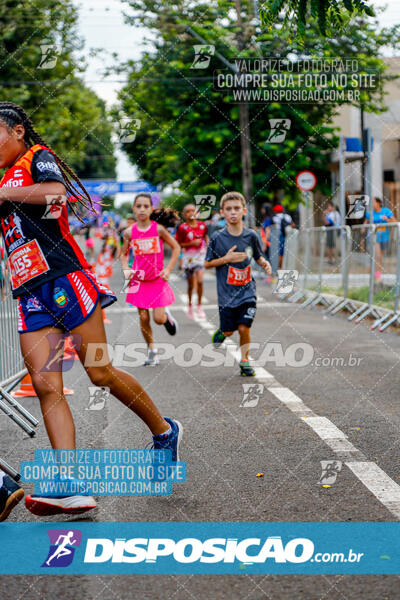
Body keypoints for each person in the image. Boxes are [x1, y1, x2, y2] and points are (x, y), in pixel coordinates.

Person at [0, 102, 182, 516]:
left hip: (67, 281)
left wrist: (3, 192)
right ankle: (69, 483)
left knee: (99, 372)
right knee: (46, 385)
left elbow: (55, 195)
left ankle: (164, 431)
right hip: (30, 294)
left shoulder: (36, 159)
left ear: (17, 133)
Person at [204, 191, 272, 377]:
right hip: (226, 294)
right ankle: (222, 333)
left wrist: (264, 263)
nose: (233, 212)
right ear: (222, 212)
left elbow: (258, 256)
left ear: (243, 211)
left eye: (236, 208)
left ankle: (245, 360)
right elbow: (207, 263)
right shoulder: (218, 238)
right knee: (228, 330)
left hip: (247, 291)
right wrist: (226, 259)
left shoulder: (251, 235)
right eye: (228, 209)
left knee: (244, 327)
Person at [120, 193, 180, 367]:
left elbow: (176, 248)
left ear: (151, 209)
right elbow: (123, 255)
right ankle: (152, 351)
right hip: (138, 279)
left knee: (158, 319)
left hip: (156, 279)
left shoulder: (159, 229)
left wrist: (168, 269)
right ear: (133, 208)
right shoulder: (129, 233)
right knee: (144, 317)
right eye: (138, 206)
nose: (142, 209)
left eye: (146, 206)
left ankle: (167, 316)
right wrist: (126, 269)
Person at [175, 204, 209, 319]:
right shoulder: (182, 228)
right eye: (188, 211)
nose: (191, 213)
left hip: (200, 257)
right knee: (190, 284)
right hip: (188, 258)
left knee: (200, 281)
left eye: (193, 211)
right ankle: (190, 306)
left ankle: (199, 306)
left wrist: (209, 249)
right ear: (184, 215)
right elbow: (177, 244)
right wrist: (191, 244)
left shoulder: (202, 226)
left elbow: (206, 238)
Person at [364, 197, 396, 280]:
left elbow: (395, 222)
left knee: (380, 256)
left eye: (373, 202)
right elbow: (365, 223)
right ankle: (377, 275)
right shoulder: (370, 213)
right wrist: (363, 228)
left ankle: (377, 271)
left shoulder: (386, 211)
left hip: (385, 238)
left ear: (379, 203)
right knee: (377, 255)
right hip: (375, 238)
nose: (372, 204)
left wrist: (387, 219)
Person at [264, 204, 294, 270]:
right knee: (286, 252)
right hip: (288, 236)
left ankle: (280, 267)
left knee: (280, 253)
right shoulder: (287, 216)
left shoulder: (275, 218)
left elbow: (271, 228)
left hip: (279, 236)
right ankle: (285, 266)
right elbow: (292, 225)